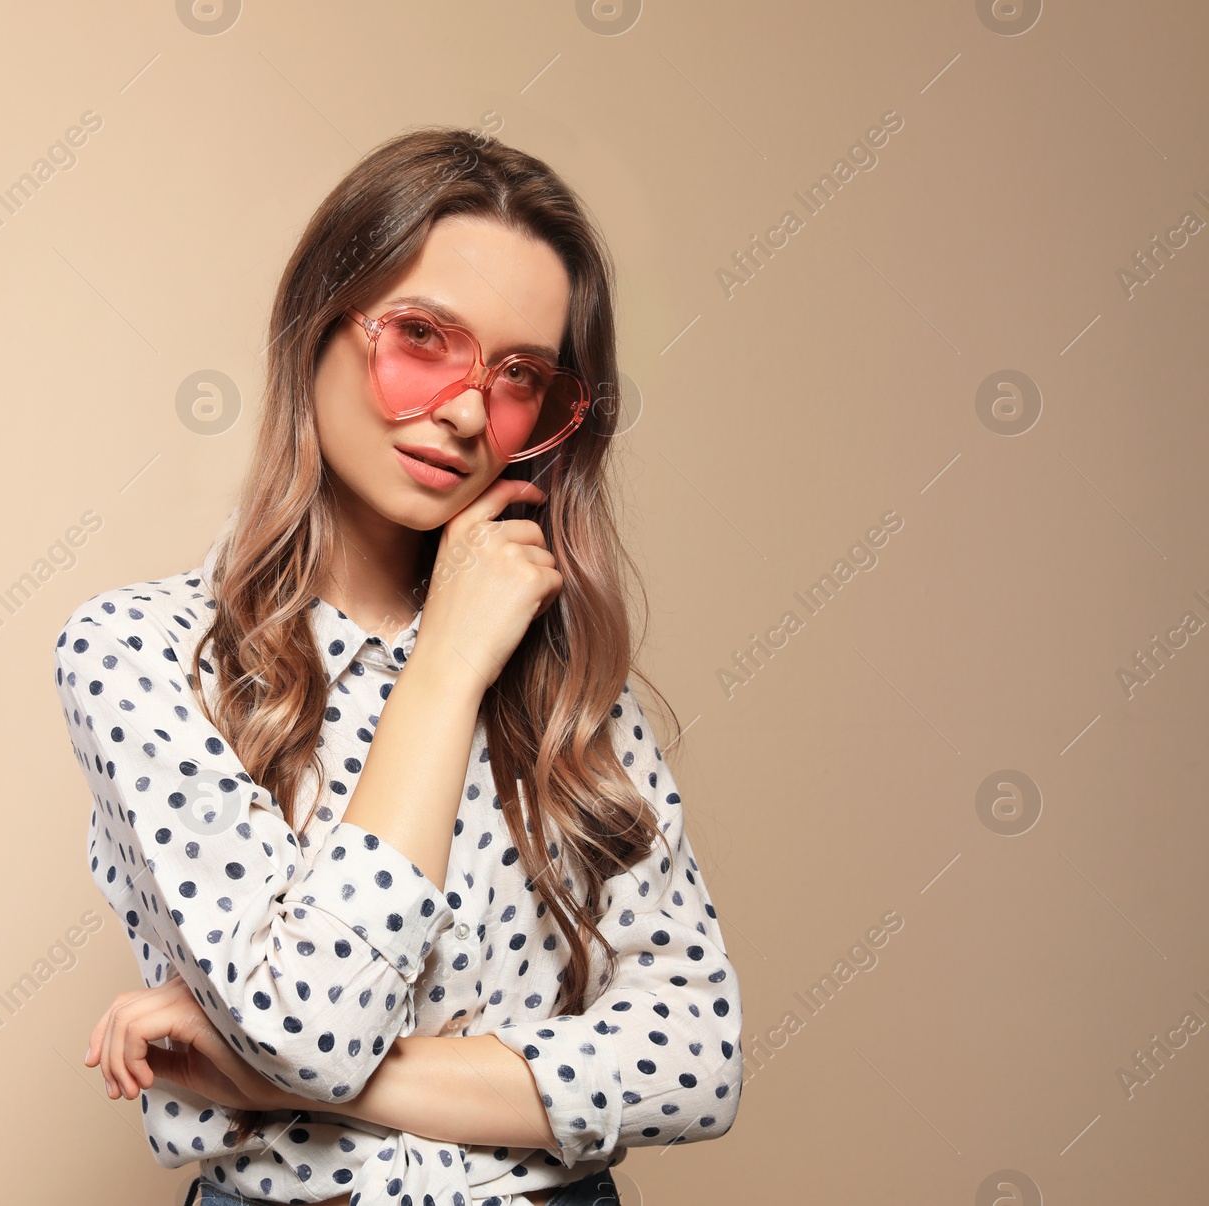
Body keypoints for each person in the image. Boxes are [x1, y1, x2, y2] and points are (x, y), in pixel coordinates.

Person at [52, 125, 743, 1206]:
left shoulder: (565, 687)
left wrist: (257, 1076)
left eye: (520, 377)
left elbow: (696, 1062)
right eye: (422, 337)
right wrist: (445, 666)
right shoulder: (141, 657)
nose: (467, 411)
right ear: (314, 328)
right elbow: (319, 1029)